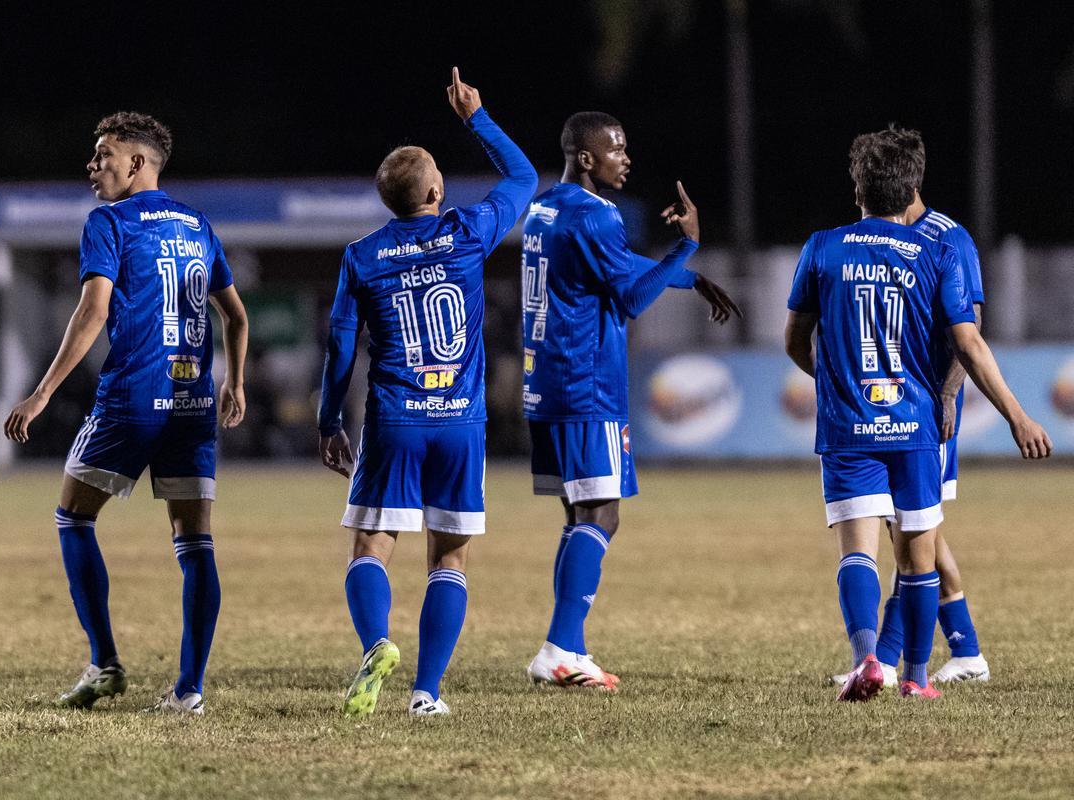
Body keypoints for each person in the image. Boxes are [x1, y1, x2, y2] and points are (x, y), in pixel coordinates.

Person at [786, 126, 1050, 701]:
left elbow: (796, 339)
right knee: (916, 542)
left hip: (901, 415)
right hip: (914, 417)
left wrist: (945, 395)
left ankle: (890, 657)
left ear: (861, 189)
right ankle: (916, 669)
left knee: (888, 544)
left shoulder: (925, 241)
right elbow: (969, 337)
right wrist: (1015, 416)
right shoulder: (930, 251)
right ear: (911, 185)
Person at [4, 112, 249, 715]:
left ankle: (105, 663)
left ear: (137, 163)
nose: (93, 167)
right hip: (192, 405)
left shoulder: (109, 222)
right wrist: (233, 384)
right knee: (196, 542)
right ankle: (189, 691)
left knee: (73, 517)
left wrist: (40, 395)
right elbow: (237, 317)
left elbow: (91, 314)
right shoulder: (198, 225)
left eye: (103, 155)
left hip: (132, 400)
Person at [318, 68, 537, 717]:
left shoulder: (362, 255)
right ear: (437, 189)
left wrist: (330, 420)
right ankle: (426, 694)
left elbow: (339, 346)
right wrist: (475, 117)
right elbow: (524, 178)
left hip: (393, 422)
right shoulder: (467, 232)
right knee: (450, 557)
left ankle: (376, 644)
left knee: (370, 547)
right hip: (459, 421)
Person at [521, 112, 741, 689]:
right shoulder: (599, 215)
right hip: (588, 384)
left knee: (578, 516)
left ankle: (568, 646)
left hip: (548, 381)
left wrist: (689, 277)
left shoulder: (547, 208)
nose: (627, 158)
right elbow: (631, 296)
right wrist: (687, 248)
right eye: (617, 149)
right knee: (603, 514)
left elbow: (608, 269)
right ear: (587, 158)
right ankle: (560, 648)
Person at [831, 129, 993, 688]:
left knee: (913, 529)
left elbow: (968, 329)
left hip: (926, 405)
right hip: (885, 403)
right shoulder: (873, 235)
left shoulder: (948, 238)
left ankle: (915, 654)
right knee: (911, 529)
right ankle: (908, 656)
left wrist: (947, 395)